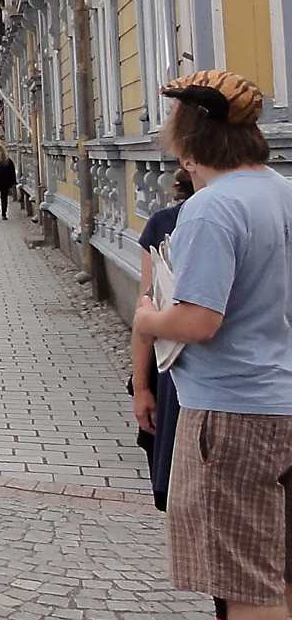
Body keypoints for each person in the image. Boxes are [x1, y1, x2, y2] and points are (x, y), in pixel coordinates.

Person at [133, 70, 292, 620]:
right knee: (280, 573)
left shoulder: (211, 207)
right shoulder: (284, 192)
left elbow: (199, 322)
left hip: (232, 412)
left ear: (190, 130)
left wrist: (150, 318)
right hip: (284, 401)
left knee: (245, 585)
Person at [130, 168, 226, 619]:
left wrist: (143, 385)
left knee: (205, 504)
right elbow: (147, 302)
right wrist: (142, 384)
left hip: (190, 378)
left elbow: (145, 309)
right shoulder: (165, 223)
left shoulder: (185, 220)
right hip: (181, 375)